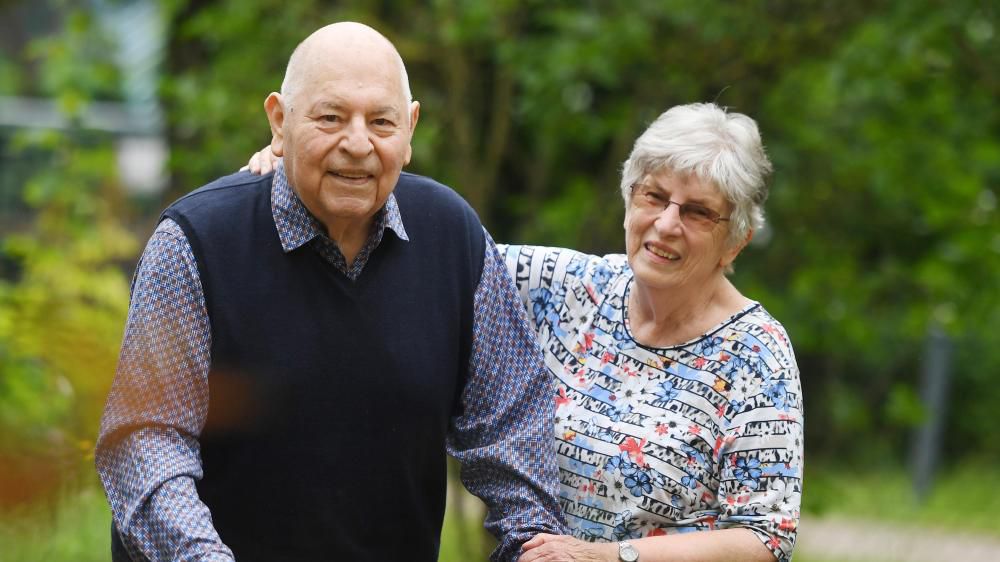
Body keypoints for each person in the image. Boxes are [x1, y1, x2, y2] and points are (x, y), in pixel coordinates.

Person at [95, 22, 567, 562]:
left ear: (409, 131)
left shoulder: (453, 236)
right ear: (279, 121)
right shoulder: (196, 241)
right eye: (331, 117)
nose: (358, 143)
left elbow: (512, 424)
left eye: (382, 121)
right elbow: (144, 440)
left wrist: (533, 543)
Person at [250, 102, 803, 561]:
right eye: (653, 196)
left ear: (736, 240)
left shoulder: (756, 354)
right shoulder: (566, 284)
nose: (665, 224)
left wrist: (609, 557)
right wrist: (306, 169)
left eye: (698, 213)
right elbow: (438, 248)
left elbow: (765, 538)